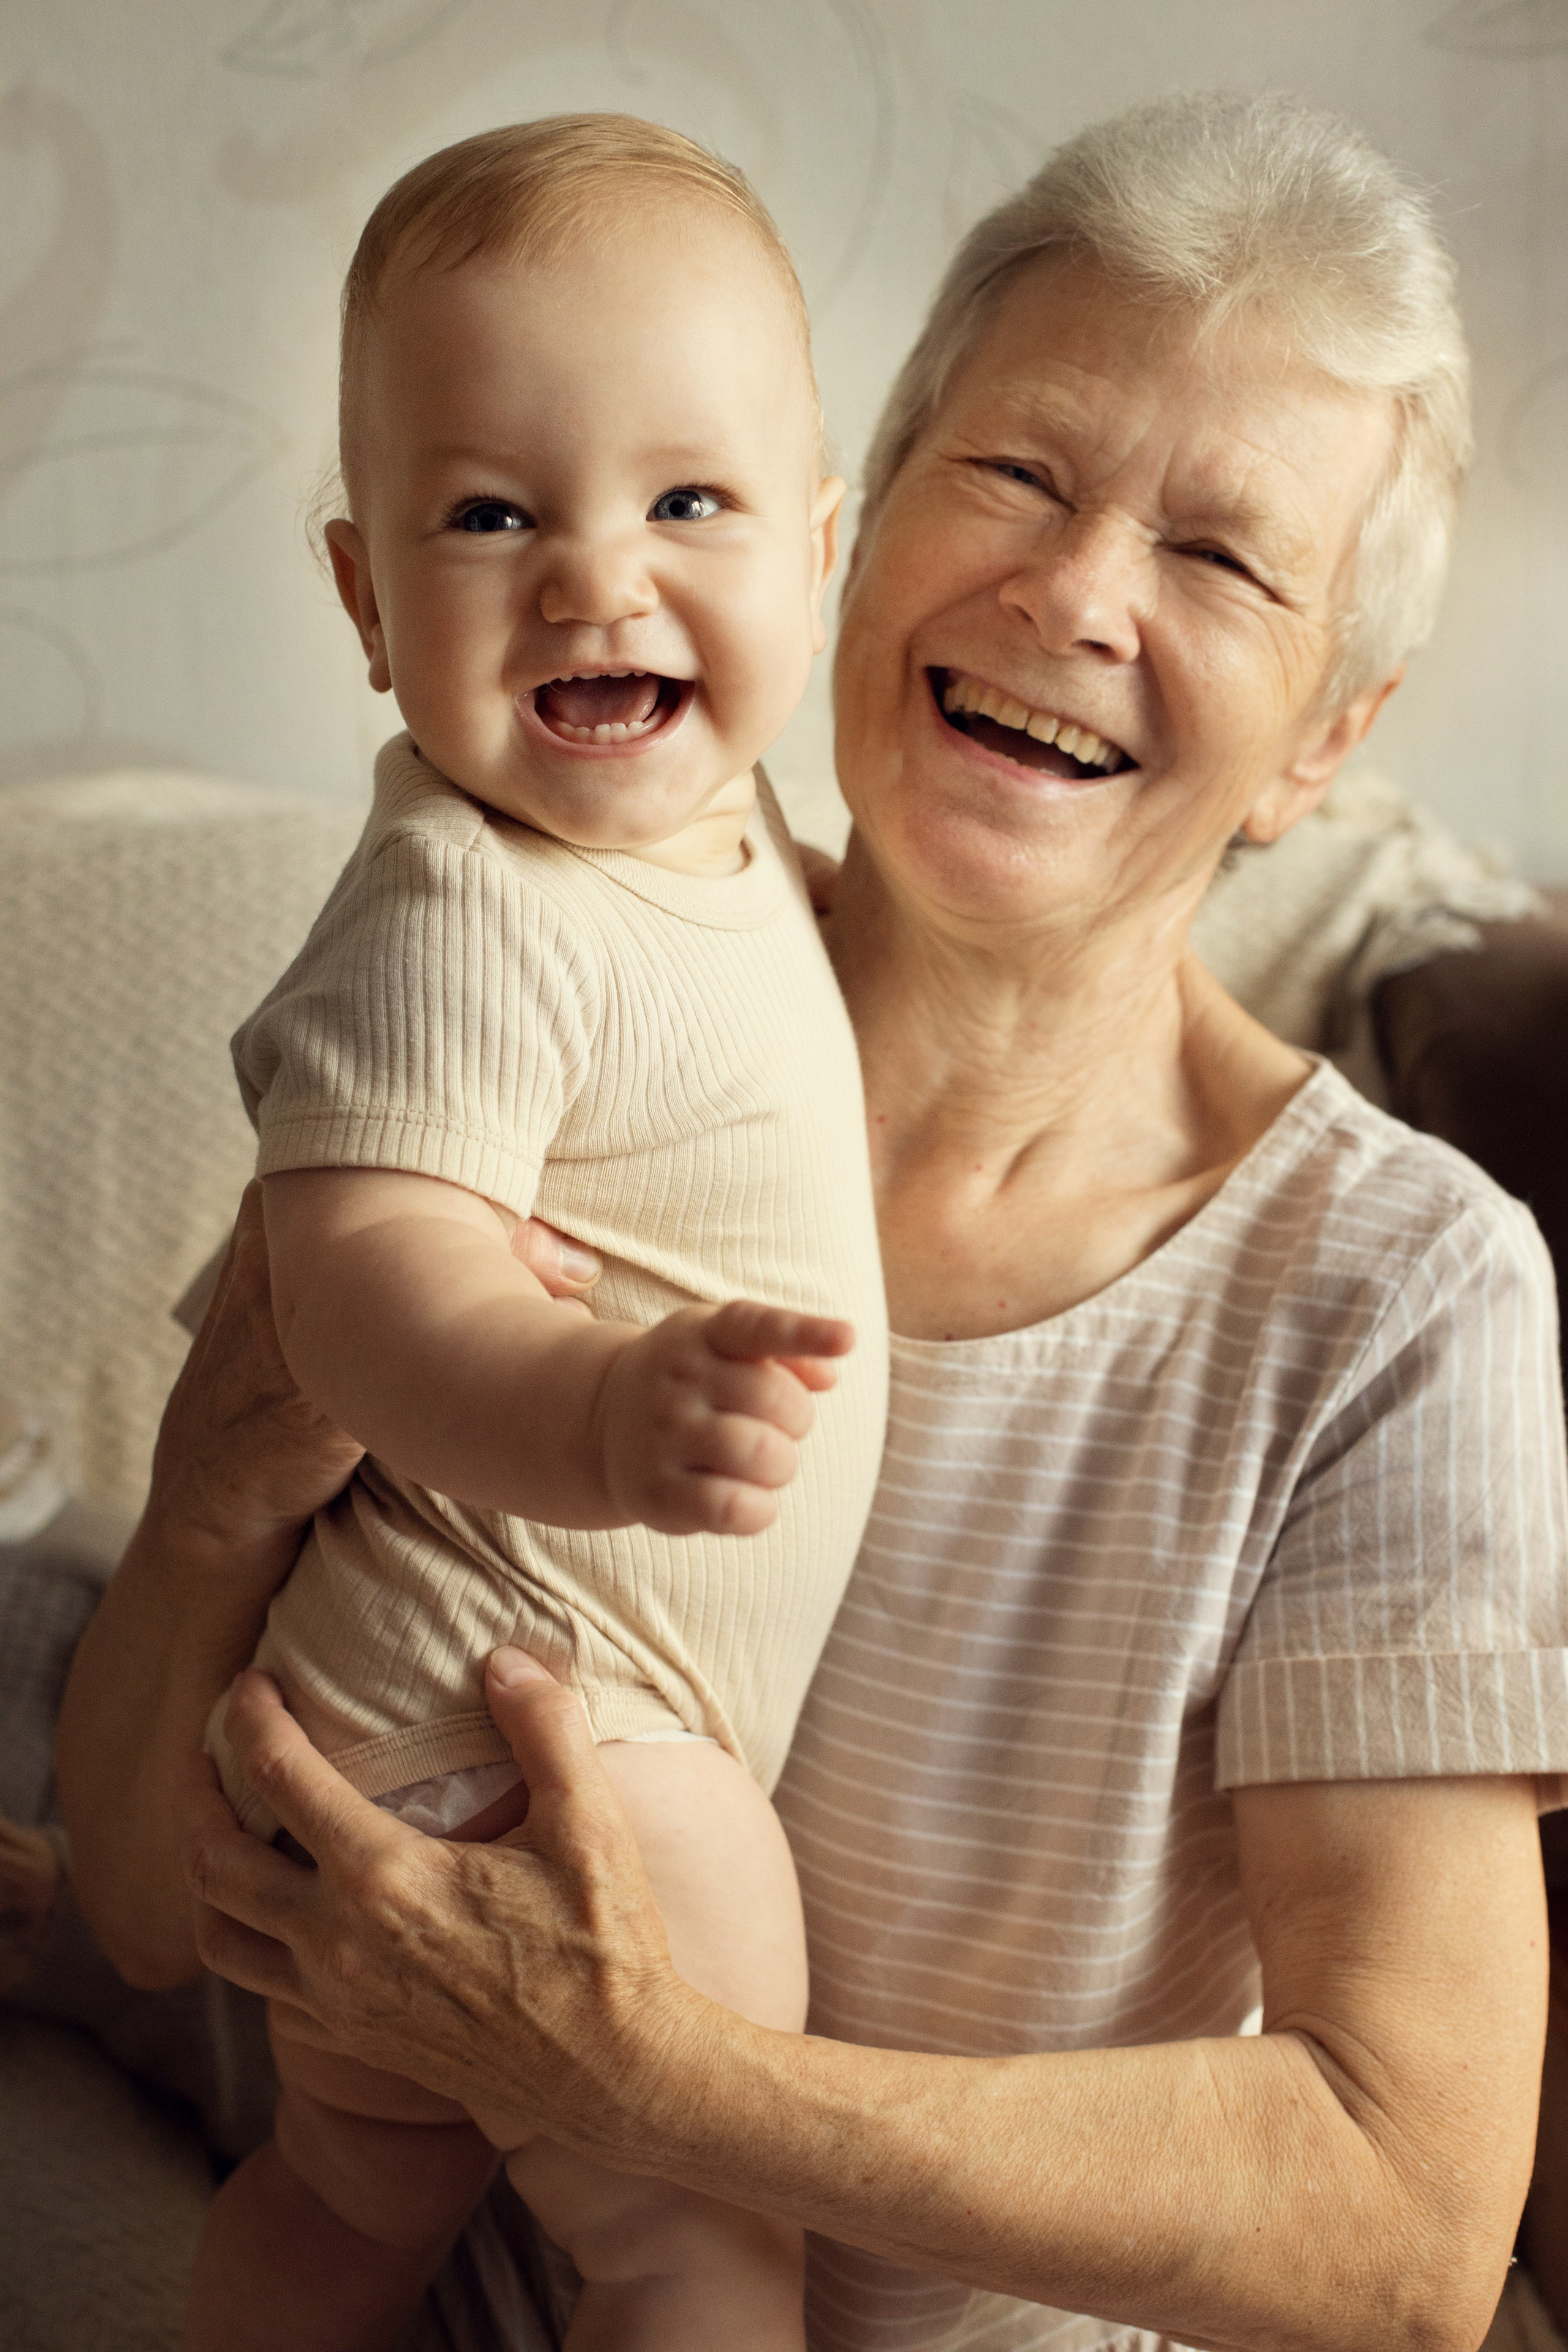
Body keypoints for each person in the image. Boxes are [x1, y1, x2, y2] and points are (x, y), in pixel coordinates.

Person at [59, 89, 1568, 2352]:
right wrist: (192, 1527)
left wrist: (653, 2079)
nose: (1075, 595)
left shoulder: (1399, 1296)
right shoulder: (548, 973)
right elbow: (160, 1907)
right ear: (855, 533)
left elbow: (1407, 2232)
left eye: (1224, 560)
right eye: (1024, 475)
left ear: (1324, 741)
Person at [174, 115, 890, 2352]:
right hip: (542, 1728)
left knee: (344, 2194)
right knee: (697, 2244)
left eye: (688, 503)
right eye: (491, 515)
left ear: (818, 552)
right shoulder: (460, 906)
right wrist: (595, 1407)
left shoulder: (733, 830)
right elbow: (363, 1286)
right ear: (372, 605)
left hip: (446, 1726)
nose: (595, 577)